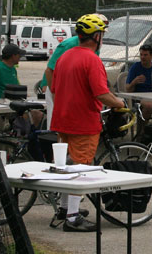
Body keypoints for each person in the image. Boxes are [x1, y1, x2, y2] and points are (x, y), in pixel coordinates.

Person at [50, 13, 125, 232]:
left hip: (62, 119)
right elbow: (101, 93)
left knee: (65, 166)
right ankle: (73, 217)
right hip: (83, 121)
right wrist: (119, 103)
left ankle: (64, 208)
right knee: (81, 167)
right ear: (95, 36)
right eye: (101, 33)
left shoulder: (65, 56)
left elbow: (53, 87)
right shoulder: (92, 60)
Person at [41, 14, 108, 129]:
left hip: (73, 89)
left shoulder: (95, 47)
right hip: (57, 88)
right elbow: (49, 70)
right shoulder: (69, 45)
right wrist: (55, 94)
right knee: (57, 125)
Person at [125, 44, 152, 124]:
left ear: (151, 56)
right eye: (141, 55)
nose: (143, 57)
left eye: (145, 55)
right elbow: (127, 88)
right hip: (139, 98)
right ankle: (142, 131)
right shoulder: (135, 67)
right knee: (148, 105)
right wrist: (134, 82)